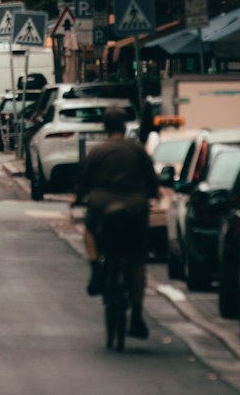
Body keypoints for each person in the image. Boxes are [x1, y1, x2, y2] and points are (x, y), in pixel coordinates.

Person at [74, 107, 161, 340]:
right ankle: (137, 313)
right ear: (124, 127)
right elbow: (153, 184)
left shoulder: (97, 152)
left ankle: (95, 268)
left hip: (102, 206)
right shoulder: (138, 151)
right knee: (137, 260)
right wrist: (152, 195)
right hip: (134, 208)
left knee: (90, 232)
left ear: (105, 127)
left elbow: (82, 183)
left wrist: (78, 199)